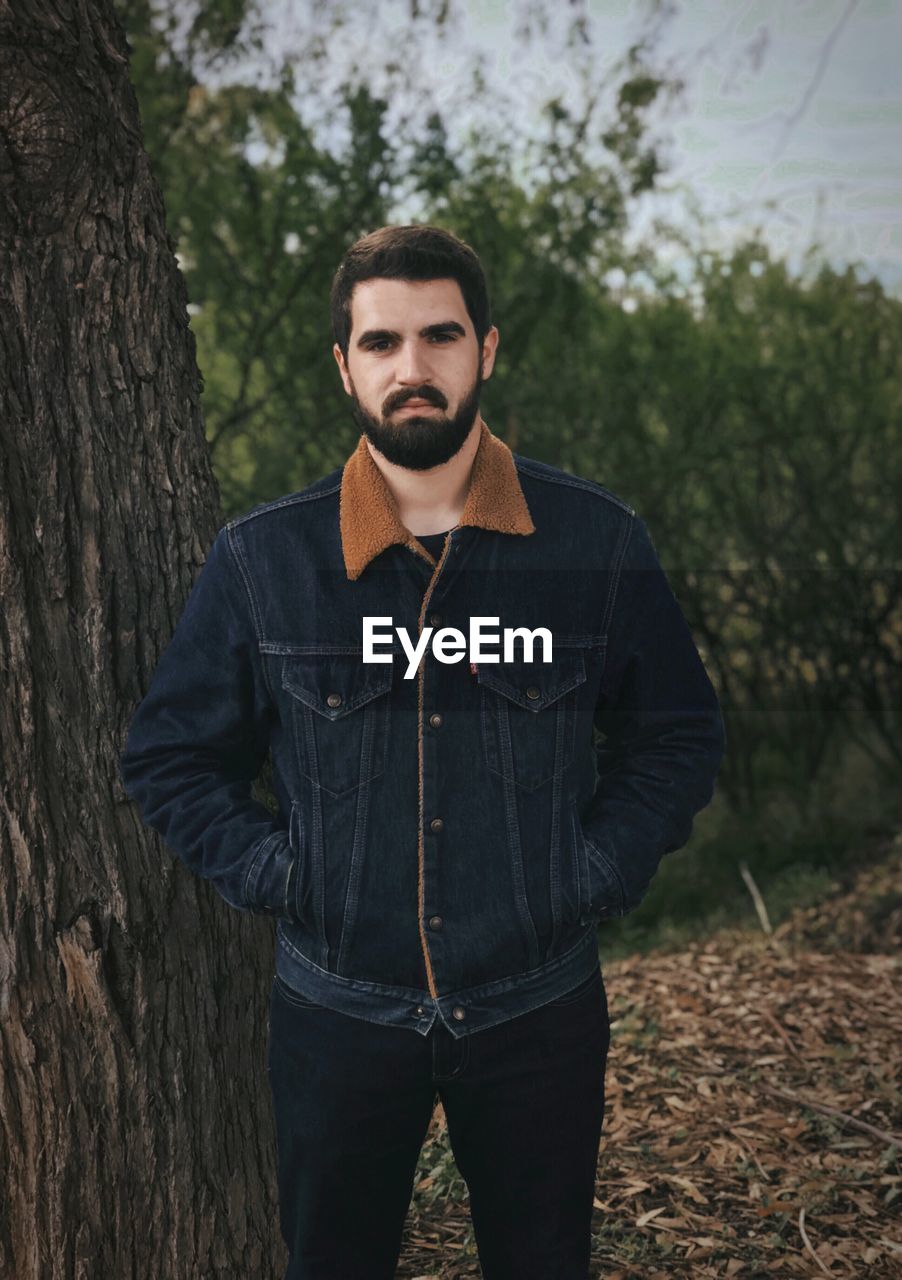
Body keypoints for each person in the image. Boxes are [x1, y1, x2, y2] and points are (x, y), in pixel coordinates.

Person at [119, 223, 726, 1279]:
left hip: (536, 1005)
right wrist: (283, 873)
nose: (412, 368)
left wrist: (592, 867)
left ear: (484, 349)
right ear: (344, 363)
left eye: (439, 336)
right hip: (337, 1012)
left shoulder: (594, 544)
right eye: (382, 341)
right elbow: (169, 755)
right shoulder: (265, 561)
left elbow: (674, 734)